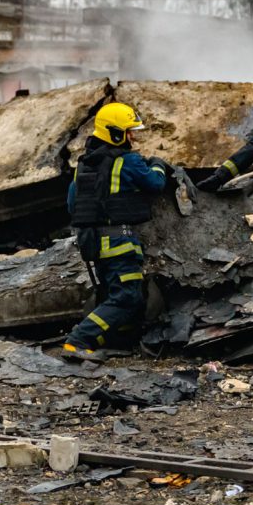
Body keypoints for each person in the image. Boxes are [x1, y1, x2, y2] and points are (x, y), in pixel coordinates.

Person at [62, 102, 168, 362]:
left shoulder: (84, 167)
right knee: (127, 297)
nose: (132, 137)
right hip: (120, 242)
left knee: (115, 294)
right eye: (129, 131)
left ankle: (116, 340)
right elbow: (155, 183)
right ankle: (79, 341)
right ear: (116, 133)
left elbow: (71, 205)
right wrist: (158, 164)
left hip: (94, 245)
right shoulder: (128, 161)